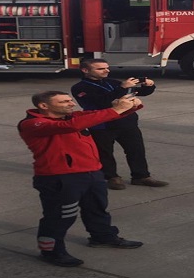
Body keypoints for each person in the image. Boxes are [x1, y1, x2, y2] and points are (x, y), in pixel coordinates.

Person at [18, 90, 145, 267]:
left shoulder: (72, 117)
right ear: (43, 106)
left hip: (91, 172)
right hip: (59, 177)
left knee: (97, 208)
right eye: (64, 102)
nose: (71, 104)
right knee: (60, 216)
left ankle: (103, 237)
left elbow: (99, 116)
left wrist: (129, 106)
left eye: (70, 100)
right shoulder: (33, 123)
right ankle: (51, 251)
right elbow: (69, 127)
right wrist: (115, 110)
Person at [71, 59, 168, 190]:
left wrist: (149, 86)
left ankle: (141, 176)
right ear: (85, 70)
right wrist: (122, 88)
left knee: (136, 150)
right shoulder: (80, 88)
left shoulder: (112, 82)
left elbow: (138, 92)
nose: (106, 70)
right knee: (105, 153)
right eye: (100, 69)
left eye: (107, 68)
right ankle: (112, 177)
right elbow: (102, 102)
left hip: (127, 122)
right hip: (102, 125)